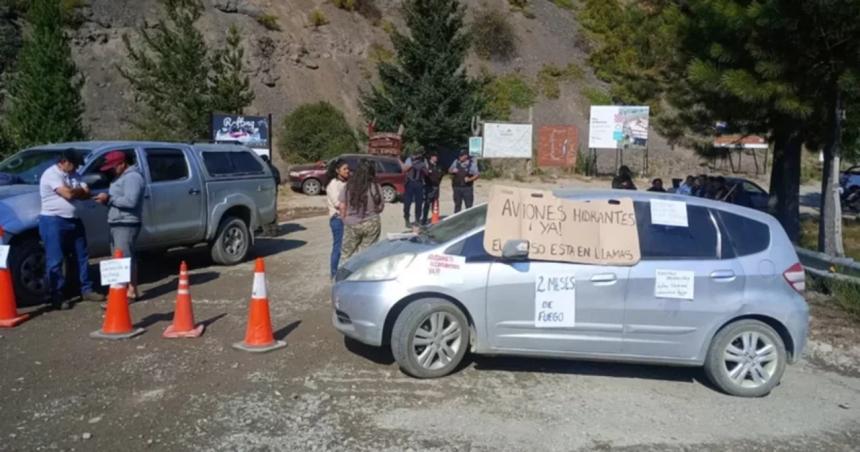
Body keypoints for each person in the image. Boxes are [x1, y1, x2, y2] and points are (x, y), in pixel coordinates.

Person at [38, 150, 104, 310]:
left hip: (73, 220)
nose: (76, 169)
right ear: (65, 161)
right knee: (55, 260)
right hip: (53, 220)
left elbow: (85, 192)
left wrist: (76, 192)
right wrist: (76, 192)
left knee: (82, 255)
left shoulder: (73, 174)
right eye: (74, 164)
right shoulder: (51, 174)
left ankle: (86, 289)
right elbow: (68, 194)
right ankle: (56, 294)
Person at [94, 151, 145, 300]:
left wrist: (109, 198)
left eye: (113, 167)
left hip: (126, 222)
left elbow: (131, 201)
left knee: (122, 259)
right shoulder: (121, 177)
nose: (111, 170)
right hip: (118, 221)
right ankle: (130, 290)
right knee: (124, 257)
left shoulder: (133, 178)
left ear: (122, 164)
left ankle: (122, 294)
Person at [339, 159, 384, 260]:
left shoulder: (349, 186)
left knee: (346, 254)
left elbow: (342, 205)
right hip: (372, 223)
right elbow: (381, 207)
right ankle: (364, 273)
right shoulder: (376, 187)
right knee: (367, 254)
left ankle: (342, 274)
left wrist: (344, 219)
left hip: (352, 223)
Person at [325, 159, 349, 279]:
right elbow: (337, 204)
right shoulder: (333, 185)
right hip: (337, 219)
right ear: (337, 170)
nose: (347, 171)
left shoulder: (347, 183)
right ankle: (334, 274)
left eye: (348, 169)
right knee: (338, 247)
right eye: (344, 169)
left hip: (348, 217)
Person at [402, 149, 427, 228]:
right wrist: (412, 164)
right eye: (416, 155)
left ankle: (417, 220)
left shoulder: (423, 161)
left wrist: (422, 167)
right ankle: (407, 219)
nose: (416, 156)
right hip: (410, 183)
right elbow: (404, 169)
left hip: (419, 183)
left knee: (419, 202)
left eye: (418, 155)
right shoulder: (409, 160)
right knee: (407, 202)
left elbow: (427, 173)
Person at [420, 152, 443, 225]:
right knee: (427, 203)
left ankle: (435, 218)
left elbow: (441, 175)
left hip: (436, 187)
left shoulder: (438, 166)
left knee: (435, 203)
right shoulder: (427, 165)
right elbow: (424, 175)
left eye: (436, 156)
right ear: (431, 157)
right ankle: (424, 219)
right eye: (434, 156)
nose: (436, 158)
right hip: (429, 187)